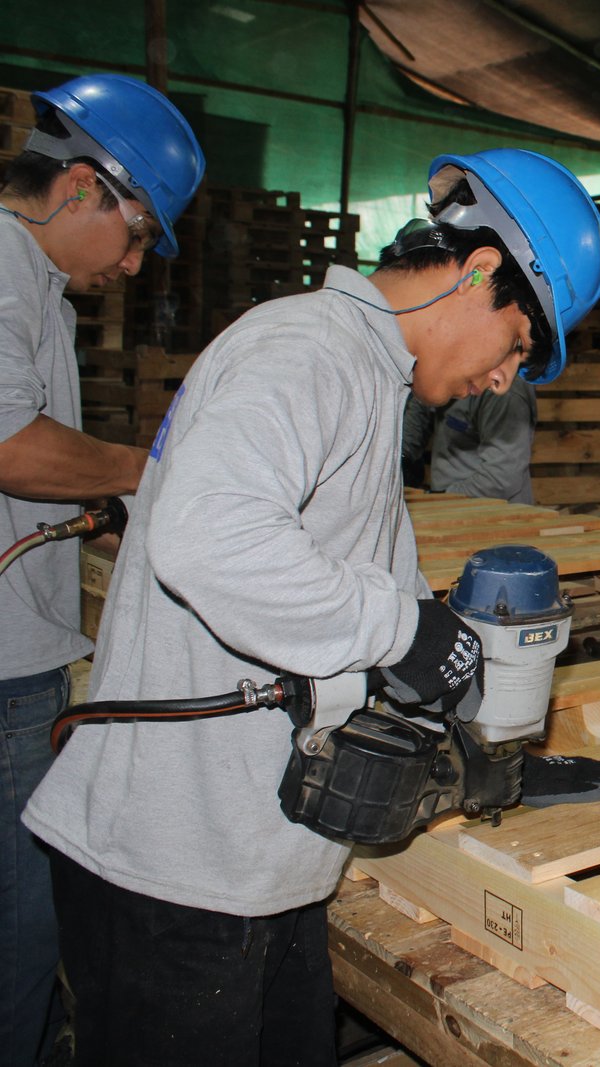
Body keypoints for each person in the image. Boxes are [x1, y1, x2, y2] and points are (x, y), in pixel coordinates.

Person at [22, 148, 600, 1066]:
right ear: (482, 270)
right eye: (519, 348)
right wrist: (401, 628)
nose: (504, 381)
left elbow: (345, 579)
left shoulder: (365, 376)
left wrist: (478, 741)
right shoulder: (307, 349)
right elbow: (209, 537)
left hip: (252, 867)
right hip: (174, 878)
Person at [0, 73, 203, 1067]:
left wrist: (100, 509)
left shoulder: (32, 282)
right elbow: (5, 444)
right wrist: (147, 474)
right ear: (80, 184)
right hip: (1, 670)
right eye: (135, 234)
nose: (131, 264)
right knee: (21, 935)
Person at [403, 375, 538, 503]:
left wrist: (442, 498)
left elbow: (502, 476)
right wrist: (403, 457)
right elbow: (420, 409)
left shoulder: (507, 392)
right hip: (451, 508)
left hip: (497, 516)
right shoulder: (448, 368)